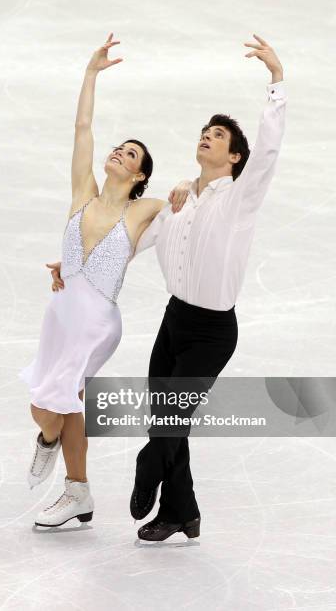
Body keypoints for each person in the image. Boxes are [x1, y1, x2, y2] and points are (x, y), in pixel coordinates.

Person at [49, 33, 286, 541]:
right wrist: (73, 266)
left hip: (213, 330)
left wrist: (276, 82)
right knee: (169, 421)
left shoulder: (240, 198)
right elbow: (123, 244)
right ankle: (183, 512)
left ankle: (145, 466)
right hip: (174, 321)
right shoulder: (177, 200)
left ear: (235, 158)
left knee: (168, 425)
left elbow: (268, 152)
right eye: (205, 131)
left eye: (219, 136)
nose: (208, 136)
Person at [18, 33, 180, 529]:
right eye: (120, 148)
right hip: (60, 315)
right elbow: (82, 128)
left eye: (130, 155)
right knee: (48, 412)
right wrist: (90, 73)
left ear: (138, 176)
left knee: (62, 399)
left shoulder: (141, 211)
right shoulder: (83, 193)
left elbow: (191, 199)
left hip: (95, 323)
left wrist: (186, 185)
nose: (118, 153)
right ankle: (69, 475)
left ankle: (75, 491)